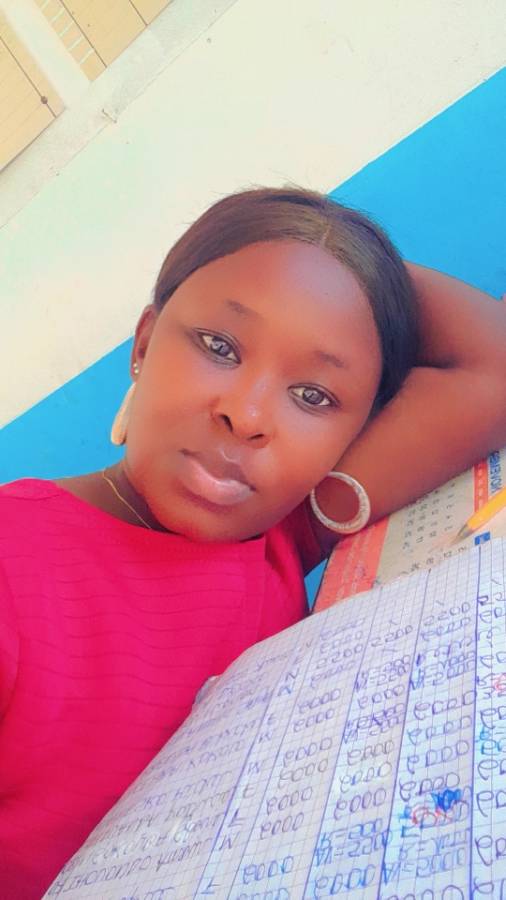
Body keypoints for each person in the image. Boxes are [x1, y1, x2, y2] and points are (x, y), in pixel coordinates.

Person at [1, 187, 505, 897]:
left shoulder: (281, 535)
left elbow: (496, 367)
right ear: (143, 344)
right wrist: (313, 249)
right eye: (220, 347)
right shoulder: (15, 562)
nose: (246, 415)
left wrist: (352, 262)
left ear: (351, 431)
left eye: (314, 396)